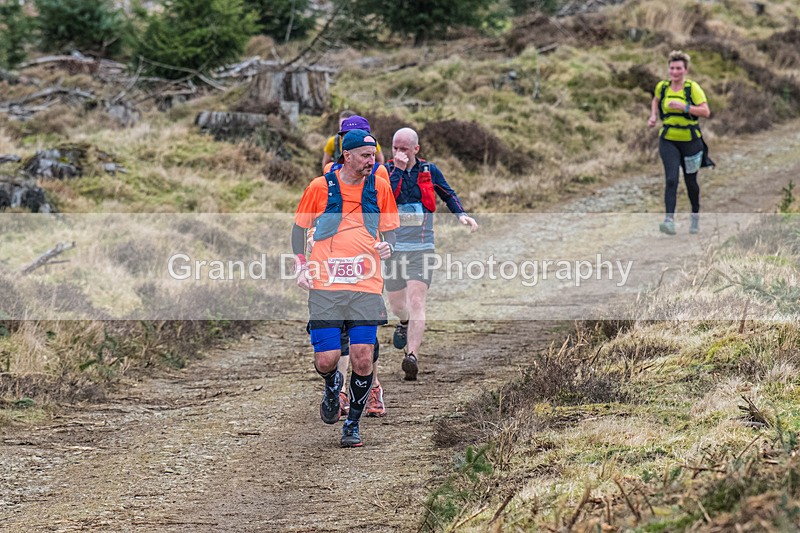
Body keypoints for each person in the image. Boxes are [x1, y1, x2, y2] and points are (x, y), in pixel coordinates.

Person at [292, 129, 399, 447]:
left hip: (366, 285)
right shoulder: (319, 188)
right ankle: (330, 384)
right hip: (325, 284)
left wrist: (387, 247)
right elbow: (298, 231)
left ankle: (352, 423)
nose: (373, 161)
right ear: (347, 156)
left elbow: (390, 231)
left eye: (374, 155)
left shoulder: (379, 186)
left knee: (363, 358)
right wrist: (301, 266)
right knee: (326, 359)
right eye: (366, 156)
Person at [384, 127, 478, 381]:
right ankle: (403, 323)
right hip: (392, 248)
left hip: (422, 247)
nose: (398, 153)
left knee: (417, 302)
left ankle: (411, 356)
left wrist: (462, 215)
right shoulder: (385, 171)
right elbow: (383, 198)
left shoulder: (429, 170)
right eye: (395, 148)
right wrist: (399, 170)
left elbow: (448, 193)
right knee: (397, 305)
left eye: (404, 148)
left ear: (416, 149)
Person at [320, 115, 391, 419]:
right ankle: (342, 391)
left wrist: (387, 245)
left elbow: (387, 224)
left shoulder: (380, 177)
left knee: (365, 342)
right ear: (343, 146)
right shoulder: (327, 177)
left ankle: (372, 387)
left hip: (366, 274)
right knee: (339, 344)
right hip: (333, 276)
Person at [648, 50, 712, 235]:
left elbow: (706, 111)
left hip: (691, 141)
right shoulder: (662, 87)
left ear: (685, 70)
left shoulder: (693, 88)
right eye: (672, 68)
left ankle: (695, 215)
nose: (675, 72)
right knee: (671, 179)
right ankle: (669, 220)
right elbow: (655, 100)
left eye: (678, 69)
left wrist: (684, 107)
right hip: (668, 140)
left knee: (691, 182)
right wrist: (653, 116)